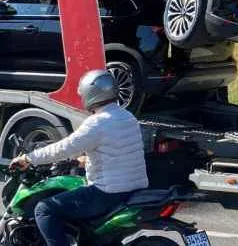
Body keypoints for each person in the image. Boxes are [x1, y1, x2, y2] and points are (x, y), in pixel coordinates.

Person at [10, 69, 149, 246]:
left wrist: (29, 158)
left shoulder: (97, 122)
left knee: (44, 209)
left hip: (108, 193)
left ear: (91, 93)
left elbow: (63, 148)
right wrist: (80, 161)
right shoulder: (127, 117)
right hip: (134, 188)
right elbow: (115, 154)